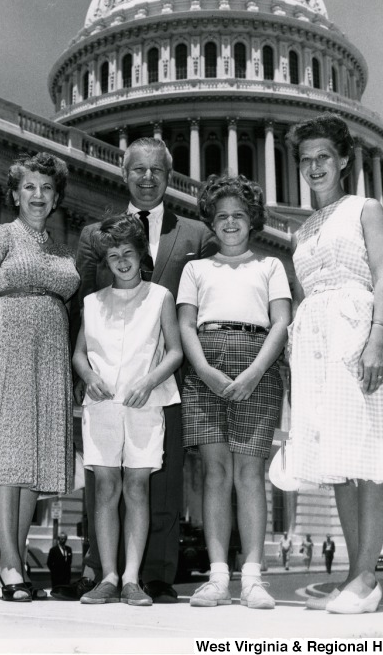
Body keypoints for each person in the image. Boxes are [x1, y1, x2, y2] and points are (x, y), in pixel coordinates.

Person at [55, 137, 216, 604]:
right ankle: (99, 570)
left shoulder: (196, 235)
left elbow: (196, 314)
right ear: (124, 174)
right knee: (103, 480)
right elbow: (81, 312)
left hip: (164, 383)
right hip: (105, 386)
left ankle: (158, 573)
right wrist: (81, 377)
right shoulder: (93, 236)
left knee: (157, 484)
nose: (147, 178)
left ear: (169, 175)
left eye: (157, 171)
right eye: (138, 170)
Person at [286, 114, 383, 614]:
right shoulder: (302, 230)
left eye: (324, 157)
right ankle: (352, 573)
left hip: (358, 332)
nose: (314, 166)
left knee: (370, 460)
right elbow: (306, 297)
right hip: (317, 342)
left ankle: (368, 576)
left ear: (343, 160)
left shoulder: (366, 208)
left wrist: (374, 340)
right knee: (339, 464)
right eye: (306, 159)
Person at [0, 152, 80, 602]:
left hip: (50, 356)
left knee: (32, 464)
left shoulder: (62, 248)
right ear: (14, 193)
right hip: (6, 347)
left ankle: (18, 558)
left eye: (47, 188)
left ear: (57, 196)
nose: (38, 196)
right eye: (29, 187)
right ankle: (8, 563)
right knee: (6, 456)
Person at [178, 175, 291, 610]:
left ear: (252, 221)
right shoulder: (196, 269)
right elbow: (186, 323)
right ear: (211, 220)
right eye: (221, 216)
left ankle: (254, 578)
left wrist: (256, 371)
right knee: (215, 474)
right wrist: (203, 369)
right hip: (205, 359)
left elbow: (279, 323)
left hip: (257, 359)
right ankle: (218, 575)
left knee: (249, 475)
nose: (229, 224)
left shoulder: (269, 266)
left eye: (239, 216)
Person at [72, 214, 184, 606]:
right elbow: (79, 354)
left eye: (128, 253)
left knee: (137, 487)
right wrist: (88, 377)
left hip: (144, 404)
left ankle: (133, 579)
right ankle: (108, 576)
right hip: (101, 406)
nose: (121, 261)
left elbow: (175, 351)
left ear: (142, 255)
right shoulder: (92, 301)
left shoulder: (159, 297)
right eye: (113, 255)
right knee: (105, 487)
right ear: (105, 260)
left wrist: (148, 381)